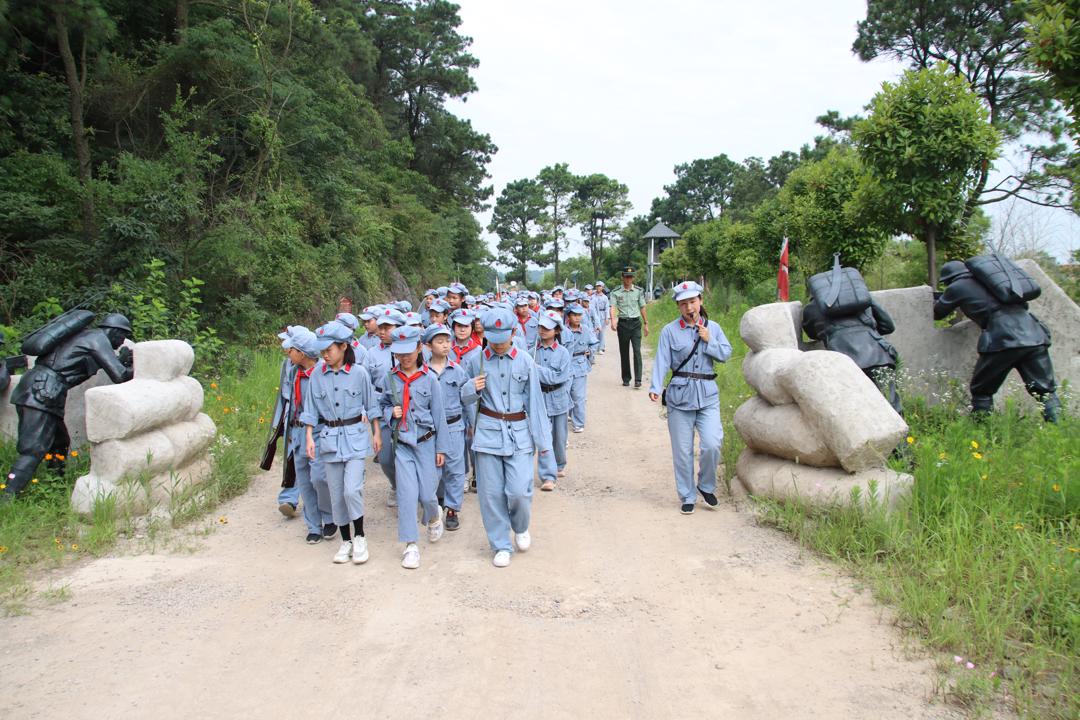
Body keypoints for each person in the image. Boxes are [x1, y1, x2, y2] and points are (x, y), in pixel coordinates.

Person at [5, 313, 135, 500]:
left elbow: (87, 364)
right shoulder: (97, 339)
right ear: (114, 331)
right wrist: (136, 366)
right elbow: (120, 376)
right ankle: (8, 495)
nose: (122, 341)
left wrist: (120, 360)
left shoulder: (86, 337)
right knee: (33, 448)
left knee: (59, 443)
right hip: (44, 390)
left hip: (40, 389)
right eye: (122, 336)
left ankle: (55, 485)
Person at [463, 307, 553, 567]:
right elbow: (462, 398)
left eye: (503, 338)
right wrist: (471, 388)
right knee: (491, 495)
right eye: (493, 338)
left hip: (519, 434)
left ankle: (520, 526)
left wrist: (543, 443)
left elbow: (535, 402)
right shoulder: (475, 360)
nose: (498, 344)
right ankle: (501, 544)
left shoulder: (525, 361)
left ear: (513, 333)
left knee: (519, 491)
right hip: (487, 434)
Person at [934, 260, 1061, 422]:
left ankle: (981, 428)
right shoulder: (993, 282)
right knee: (1045, 390)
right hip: (1034, 334)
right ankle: (1059, 426)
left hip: (1003, 338)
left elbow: (938, 313)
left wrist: (940, 299)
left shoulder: (957, 286)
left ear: (950, 279)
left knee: (982, 390)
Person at [648, 282, 732, 514]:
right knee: (683, 451)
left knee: (712, 443)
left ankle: (706, 486)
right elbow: (662, 359)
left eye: (692, 302)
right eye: (683, 303)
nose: (689, 307)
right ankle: (687, 495)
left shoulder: (713, 328)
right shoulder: (669, 331)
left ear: (700, 301)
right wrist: (655, 386)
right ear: (678, 306)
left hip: (707, 395)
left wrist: (709, 340)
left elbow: (726, 353)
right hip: (680, 396)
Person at [302, 320, 381, 565]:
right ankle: (345, 540)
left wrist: (376, 433)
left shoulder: (359, 373)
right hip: (329, 440)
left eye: (329, 350)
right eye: (322, 351)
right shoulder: (317, 375)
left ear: (343, 347)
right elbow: (310, 409)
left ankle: (360, 536)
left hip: (355, 436)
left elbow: (372, 405)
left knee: (351, 490)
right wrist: (309, 437)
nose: (325, 355)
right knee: (336, 494)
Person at [380, 324, 451, 569]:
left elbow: (439, 415)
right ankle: (411, 545)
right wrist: (390, 413)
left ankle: (433, 516)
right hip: (403, 444)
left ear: (420, 348)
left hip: (427, 443)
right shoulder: (390, 378)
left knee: (428, 495)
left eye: (409, 351)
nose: (405, 357)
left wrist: (441, 448)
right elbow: (382, 405)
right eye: (399, 353)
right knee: (407, 495)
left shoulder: (430, 379)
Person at [801, 292, 903, 415]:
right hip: (879, 356)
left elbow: (812, 333)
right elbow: (888, 326)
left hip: (846, 362)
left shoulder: (813, 307)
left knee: (857, 412)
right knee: (893, 409)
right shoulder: (861, 298)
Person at [278, 326, 335, 543]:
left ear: (302, 353)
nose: (288, 353)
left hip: (319, 430)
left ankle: (329, 517)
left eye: (291, 349)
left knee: (319, 477)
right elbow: (288, 402)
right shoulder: (292, 371)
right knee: (303, 480)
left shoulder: (323, 372)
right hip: (298, 431)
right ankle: (313, 525)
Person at [423, 324, 478, 530]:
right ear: (428, 346)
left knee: (455, 468)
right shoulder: (422, 372)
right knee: (433, 467)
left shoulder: (457, 370)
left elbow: (467, 400)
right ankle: (438, 500)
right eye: (439, 342)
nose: (445, 345)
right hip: (430, 429)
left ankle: (453, 508)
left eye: (447, 341)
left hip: (454, 426)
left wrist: (472, 424)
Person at [365, 307, 407, 506]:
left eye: (387, 327)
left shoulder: (410, 351)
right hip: (382, 406)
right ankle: (396, 485)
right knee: (385, 456)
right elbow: (365, 383)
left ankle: (412, 488)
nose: (382, 331)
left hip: (407, 405)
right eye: (380, 327)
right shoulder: (371, 353)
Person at [533, 310, 572, 491]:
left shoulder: (563, 353)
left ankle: (559, 464)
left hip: (559, 399)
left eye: (547, 328)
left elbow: (557, 377)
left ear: (556, 330)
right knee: (544, 439)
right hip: (539, 398)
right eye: (541, 327)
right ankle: (548, 476)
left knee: (559, 437)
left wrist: (536, 369)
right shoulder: (532, 351)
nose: (542, 330)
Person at [610, 266, 649, 388]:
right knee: (624, 351)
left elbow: (642, 307)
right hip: (623, 324)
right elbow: (613, 307)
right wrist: (613, 320)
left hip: (635, 324)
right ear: (622, 277)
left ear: (633, 278)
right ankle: (626, 378)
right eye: (626, 277)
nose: (628, 279)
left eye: (631, 277)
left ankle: (638, 379)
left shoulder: (638, 291)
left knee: (637, 351)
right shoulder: (616, 292)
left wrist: (646, 323)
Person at [564, 303, 598, 433]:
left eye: (579, 315)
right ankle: (566, 417)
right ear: (568, 316)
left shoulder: (586, 330)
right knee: (565, 393)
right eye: (574, 315)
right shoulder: (563, 331)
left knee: (579, 396)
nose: (577, 318)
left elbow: (594, 343)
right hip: (565, 365)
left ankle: (578, 422)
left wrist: (590, 351)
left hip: (580, 364)